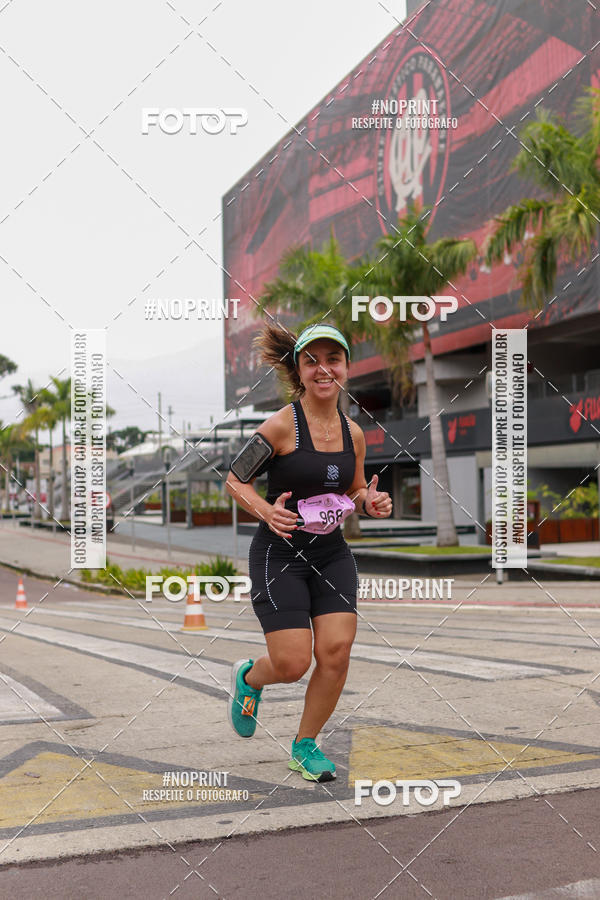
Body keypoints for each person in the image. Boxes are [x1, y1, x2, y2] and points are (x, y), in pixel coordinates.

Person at [225, 322, 392, 782]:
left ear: (346, 367)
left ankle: (304, 745)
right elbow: (235, 480)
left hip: (331, 554)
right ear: (299, 371)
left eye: (332, 359)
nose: (324, 369)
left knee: (336, 651)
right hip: (279, 554)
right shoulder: (280, 425)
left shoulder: (352, 433)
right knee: (293, 663)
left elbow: (355, 487)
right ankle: (250, 678)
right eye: (312, 360)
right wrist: (265, 511)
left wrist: (370, 501)